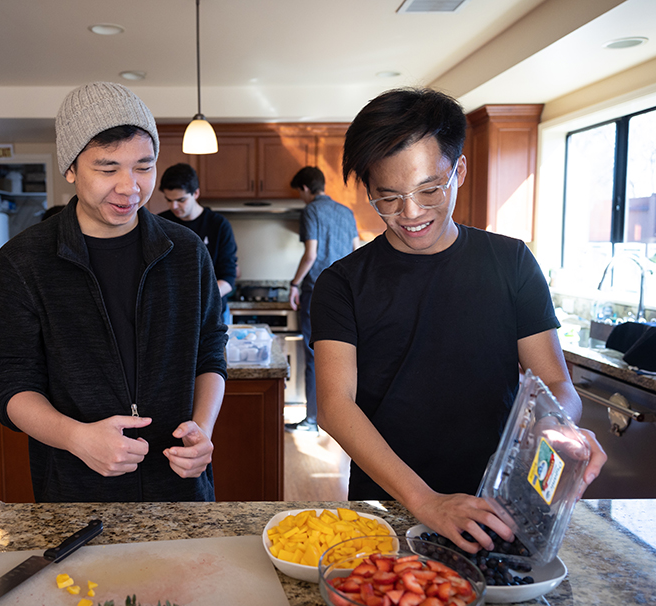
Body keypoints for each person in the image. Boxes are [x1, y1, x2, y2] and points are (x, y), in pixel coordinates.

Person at [310, 87, 607, 554]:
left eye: (430, 190)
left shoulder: (511, 263)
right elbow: (334, 405)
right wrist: (425, 501)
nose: (410, 213)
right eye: (387, 198)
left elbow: (556, 385)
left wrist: (560, 428)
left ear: (459, 171)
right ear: (368, 189)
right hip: (387, 505)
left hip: (496, 507)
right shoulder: (341, 282)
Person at [0, 82, 228, 502]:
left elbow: (209, 351)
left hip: (181, 487)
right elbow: (10, 379)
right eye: (108, 169)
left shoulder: (185, 251)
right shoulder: (25, 260)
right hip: (74, 492)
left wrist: (202, 429)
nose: (130, 187)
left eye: (144, 167)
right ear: (71, 169)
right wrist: (77, 437)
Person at [284, 166, 361, 434]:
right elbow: (355, 250)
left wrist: (294, 284)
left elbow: (311, 254)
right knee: (344, 357)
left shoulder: (311, 211)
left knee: (314, 355)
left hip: (317, 291)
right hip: (347, 294)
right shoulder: (346, 211)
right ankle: (340, 420)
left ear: (305, 189)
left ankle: (312, 419)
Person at [158, 163, 238, 323]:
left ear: (196, 193)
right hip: (170, 314)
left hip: (211, 313)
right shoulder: (159, 224)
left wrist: (196, 300)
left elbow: (228, 278)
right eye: (169, 200)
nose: (174, 206)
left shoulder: (218, 225)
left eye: (180, 200)